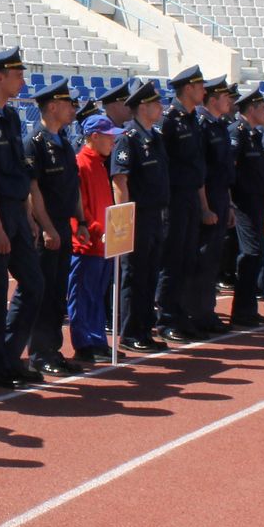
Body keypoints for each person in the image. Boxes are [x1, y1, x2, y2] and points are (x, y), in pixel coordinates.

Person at [0, 47, 53, 390]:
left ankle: (9, 354)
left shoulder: (11, 116)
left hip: (16, 211)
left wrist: (28, 214)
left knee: (34, 284)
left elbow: (18, 170)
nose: (22, 81)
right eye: (17, 75)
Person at [26, 77, 87, 375]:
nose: (73, 108)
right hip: (46, 228)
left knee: (57, 291)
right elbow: (32, 189)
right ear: (52, 107)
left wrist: (81, 220)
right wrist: (46, 227)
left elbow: (72, 187)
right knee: (44, 291)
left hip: (63, 224)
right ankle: (40, 353)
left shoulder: (63, 141)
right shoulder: (35, 142)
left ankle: (53, 349)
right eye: (67, 103)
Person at [110, 78, 172, 352]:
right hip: (137, 216)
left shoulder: (155, 137)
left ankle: (145, 329)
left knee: (149, 274)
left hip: (156, 214)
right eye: (156, 103)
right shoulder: (128, 138)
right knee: (134, 276)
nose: (161, 107)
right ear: (143, 107)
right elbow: (120, 181)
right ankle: (131, 332)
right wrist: (125, 220)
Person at [156, 66, 211, 341]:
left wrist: (203, 205)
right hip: (174, 199)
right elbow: (163, 165)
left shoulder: (192, 120)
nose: (204, 91)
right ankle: (166, 318)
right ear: (188, 88)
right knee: (172, 260)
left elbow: (197, 166)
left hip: (190, 197)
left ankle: (179, 313)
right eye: (200, 86)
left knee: (187, 259)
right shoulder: (169, 121)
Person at [68, 114, 122, 359]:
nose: (113, 141)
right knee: (82, 295)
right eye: (109, 136)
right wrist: (98, 230)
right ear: (95, 136)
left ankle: (97, 339)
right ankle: (84, 344)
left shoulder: (99, 164)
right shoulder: (81, 164)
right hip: (87, 244)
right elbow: (80, 207)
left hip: (102, 243)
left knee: (97, 295)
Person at [189, 77, 236, 333]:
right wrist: (205, 207)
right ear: (214, 99)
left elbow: (224, 170)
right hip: (207, 198)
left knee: (214, 259)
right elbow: (201, 172)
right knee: (204, 258)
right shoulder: (203, 125)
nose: (230, 101)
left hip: (220, 197)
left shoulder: (220, 125)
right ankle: (198, 313)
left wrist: (229, 204)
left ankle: (207, 311)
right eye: (225, 97)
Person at [229, 87, 264, 328]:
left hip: (256, 201)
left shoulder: (254, 134)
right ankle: (241, 312)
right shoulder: (238, 133)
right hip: (242, 203)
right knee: (250, 253)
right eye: (263, 108)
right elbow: (230, 169)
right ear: (251, 109)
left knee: (256, 253)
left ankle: (248, 309)